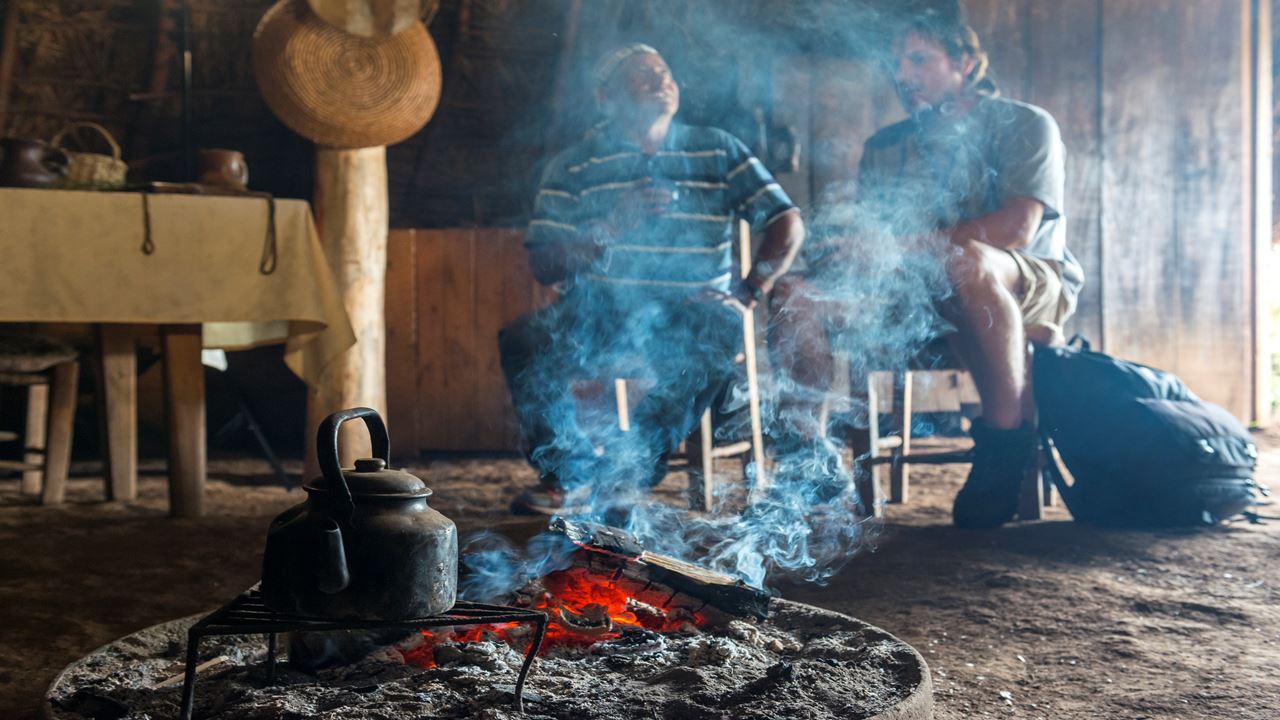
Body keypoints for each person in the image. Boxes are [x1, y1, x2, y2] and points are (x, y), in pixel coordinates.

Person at [769, 18, 1083, 527]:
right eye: (895, 62)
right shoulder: (886, 146)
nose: (902, 73)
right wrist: (856, 254)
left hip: (1024, 283)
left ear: (965, 64)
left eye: (918, 59)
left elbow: (1017, 227)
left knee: (966, 261)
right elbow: (884, 240)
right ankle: (808, 462)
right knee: (794, 294)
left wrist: (899, 244)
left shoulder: (1025, 124)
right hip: (918, 294)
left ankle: (1005, 442)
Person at [500, 44, 805, 515]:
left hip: (692, 307)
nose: (661, 80)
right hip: (602, 307)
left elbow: (786, 222)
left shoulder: (717, 148)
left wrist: (749, 291)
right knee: (524, 340)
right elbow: (544, 263)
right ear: (606, 98)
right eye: (643, 75)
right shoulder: (575, 164)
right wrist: (611, 227)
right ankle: (568, 475)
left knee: (715, 330)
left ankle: (626, 473)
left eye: (664, 73)